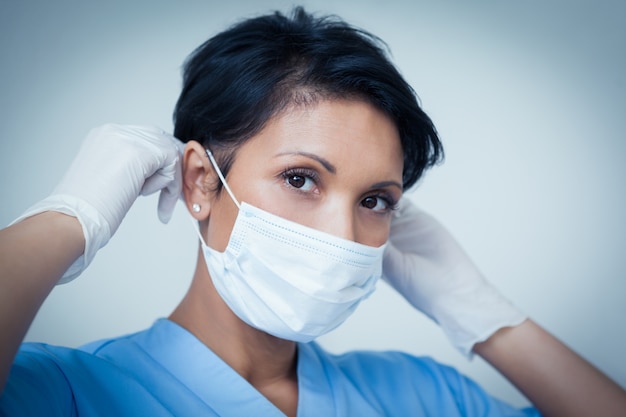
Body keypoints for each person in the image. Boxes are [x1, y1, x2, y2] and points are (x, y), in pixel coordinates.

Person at [1, 6, 625, 417]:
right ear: (201, 181)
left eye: (375, 200)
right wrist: (64, 222)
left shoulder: (422, 395)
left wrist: (491, 321)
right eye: (300, 178)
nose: (342, 233)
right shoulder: (68, 392)